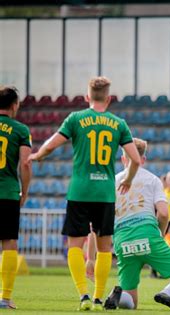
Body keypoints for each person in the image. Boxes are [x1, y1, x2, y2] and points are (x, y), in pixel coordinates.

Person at [28, 77, 141, 311]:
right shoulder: (118, 123)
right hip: (104, 194)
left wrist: (37, 156)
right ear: (109, 98)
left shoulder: (76, 119)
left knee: (74, 247)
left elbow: (50, 145)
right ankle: (99, 298)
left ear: (87, 97)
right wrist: (128, 179)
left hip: (79, 192)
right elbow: (136, 159)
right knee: (104, 250)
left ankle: (84, 296)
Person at [89, 138, 170, 311]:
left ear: (123, 159)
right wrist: (159, 235)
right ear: (143, 159)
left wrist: (93, 256)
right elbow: (163, 213)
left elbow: (98, 222)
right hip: (148, 236)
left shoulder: (112, 182)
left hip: (122, 241)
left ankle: (117, 295)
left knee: (131, 300)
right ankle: (166, 293)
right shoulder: (153, 180)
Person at [0, 86, 32, 309]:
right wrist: (25, 190)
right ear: (14, 105)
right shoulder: (20, 129)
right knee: (9, 243)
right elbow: (26, 164)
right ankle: (5, 297)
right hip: (8, 192)